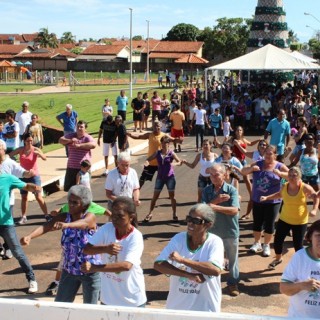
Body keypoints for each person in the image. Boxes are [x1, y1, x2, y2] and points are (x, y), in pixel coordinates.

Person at [21, 185, 101, 304]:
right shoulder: (64, 217)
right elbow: (46, 226)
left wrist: (67, 225)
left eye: (75, 202)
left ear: (84, 205)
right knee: (61, 305)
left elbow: (84, 223)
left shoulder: (90, 217)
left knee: (90, 309)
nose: (71, 204)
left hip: (90, 270)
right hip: (69, 270)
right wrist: (30, 236)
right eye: (69, 201)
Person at [154, 203, 224, 312]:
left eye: (196, 221)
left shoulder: (215, 242)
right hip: (177, 309)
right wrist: (187, 275)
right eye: (189, 219)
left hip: (206, 310)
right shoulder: (179, 238)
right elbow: (158, 264)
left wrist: (182, 260)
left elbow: (215, 270)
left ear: (208, 225)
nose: (190, 223)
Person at [81, 197, 146, 307]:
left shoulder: (136, 237)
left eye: (120, 216)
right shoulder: (107, 228)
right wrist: (105, 249)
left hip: (132, 300)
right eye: (113, 215)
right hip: (108, 299)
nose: (115, 219)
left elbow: (126, 266)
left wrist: (95, 268)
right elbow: (87, 249)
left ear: (131, 217)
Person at [260, 166, 318, 269]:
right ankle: (278, 259)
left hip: (300, 221)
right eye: (290, 175)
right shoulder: (284, 186)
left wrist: (314, 209)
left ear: (299, 177)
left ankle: (300, 265)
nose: (291, 177)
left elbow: (316, 197)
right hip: (284, 218)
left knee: (298, 246)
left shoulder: (304, 187)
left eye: (294, 175)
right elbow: (279, 194)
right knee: (277, 241)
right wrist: (267, 197)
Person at [242, 145, 289, 257]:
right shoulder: (258, 163)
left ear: (275, 155)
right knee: (257, 223)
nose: (268, 155)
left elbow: (292, 176)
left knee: (269, 224)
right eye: (266, 153)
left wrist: (281, 174)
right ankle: (257, 243)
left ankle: (266, 245)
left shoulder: (280, 165)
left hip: (273, 201)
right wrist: (251, 169)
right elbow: (243, 171)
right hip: (258, 200)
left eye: (270, 153)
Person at [202, 163, 241, 297]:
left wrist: (212, 206)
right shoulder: (206, 191)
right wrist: (217, 201)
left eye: (216, 174)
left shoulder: (231, 190)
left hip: (230, 231)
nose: (213, 177)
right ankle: (210, 284)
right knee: (212, 259)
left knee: (232, 259)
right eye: (211, 175)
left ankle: (232, 283)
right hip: (212, 232)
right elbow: (202, 210)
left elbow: (234, 210)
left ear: (224, 175)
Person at [0, 173, 40, 294]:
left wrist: (35, 187)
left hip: (6, 223)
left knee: (18, 252)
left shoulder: (7, 179)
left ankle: (32, 279)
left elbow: (26, 186)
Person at [0, 140, 35, 259]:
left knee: (6, 227)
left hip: (7, 202)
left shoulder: (10, 163)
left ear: (3, 149)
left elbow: (22, 172)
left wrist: (28, 173)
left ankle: (8, 247)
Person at [280, 219, 320, 318]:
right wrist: (302, 285)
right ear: (310, 237)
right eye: (318, 235)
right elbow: (283, 288)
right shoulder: (300, 257)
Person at [10, 134, 49, 225]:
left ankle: (47, 215)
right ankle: (24, 217)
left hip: (34, 176)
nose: (30, 142)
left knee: (38, 196)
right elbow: (9, 155)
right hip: (23, 176)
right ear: (24, 141)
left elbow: (45, 158)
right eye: (28, 141)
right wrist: (11, 161)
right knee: (24, 197)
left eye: (31, 140)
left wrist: (39, 154)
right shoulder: (21, 150)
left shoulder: (35, 149)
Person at [127, 121, 180, 188]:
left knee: (167, 178)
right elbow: (139, 136)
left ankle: (170, 193)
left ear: (160, 127)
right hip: (151, 162)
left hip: (161, 162)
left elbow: (173, 139)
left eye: (157, 126)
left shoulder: (164, 135)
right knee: (142, 178)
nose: (156, 127)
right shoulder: (149, 135)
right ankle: (136, 192)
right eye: (154, 126)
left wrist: (178, 140)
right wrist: (130, 135)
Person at [143, 136, 182, 223]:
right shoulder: (158, 153)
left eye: (166, 143)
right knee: (155, 197)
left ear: (169, 143)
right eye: (163, 143)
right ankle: (150, 213)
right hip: (160, 177)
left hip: (170, 177)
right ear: (161, 144)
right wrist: (146, 162)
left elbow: (179, 162)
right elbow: (148, 159)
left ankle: (174, 214)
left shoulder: (171, 153)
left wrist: (175, 164)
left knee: (172, 197)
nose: (164, 145)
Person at [59, 121, 96, 192]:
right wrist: (70, 140)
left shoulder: (87, 137)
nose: (79, 128)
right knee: (71, 190)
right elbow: (60, 140)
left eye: (81, 127)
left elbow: (93, 145)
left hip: (83, 169)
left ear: (85, 129)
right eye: (78, 126)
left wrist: (80, 145)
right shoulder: (71, 135)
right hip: (71, 167)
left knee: (83, 190)